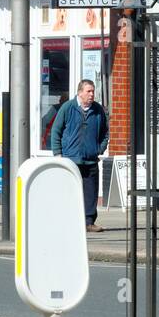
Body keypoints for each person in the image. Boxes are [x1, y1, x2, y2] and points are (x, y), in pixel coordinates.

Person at [50, 80, 109, 233]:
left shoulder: (98, 110)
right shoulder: (68, 107)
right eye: (88, 91)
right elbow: (56, 130)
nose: (91, 94)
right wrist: (58, 154)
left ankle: (89, 222)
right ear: (80, 92)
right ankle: (67, 221)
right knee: (69, 191)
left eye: (93, 91)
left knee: (91, 192)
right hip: (70, 159)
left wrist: (99, 149)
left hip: (90, 159)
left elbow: (105, 132)